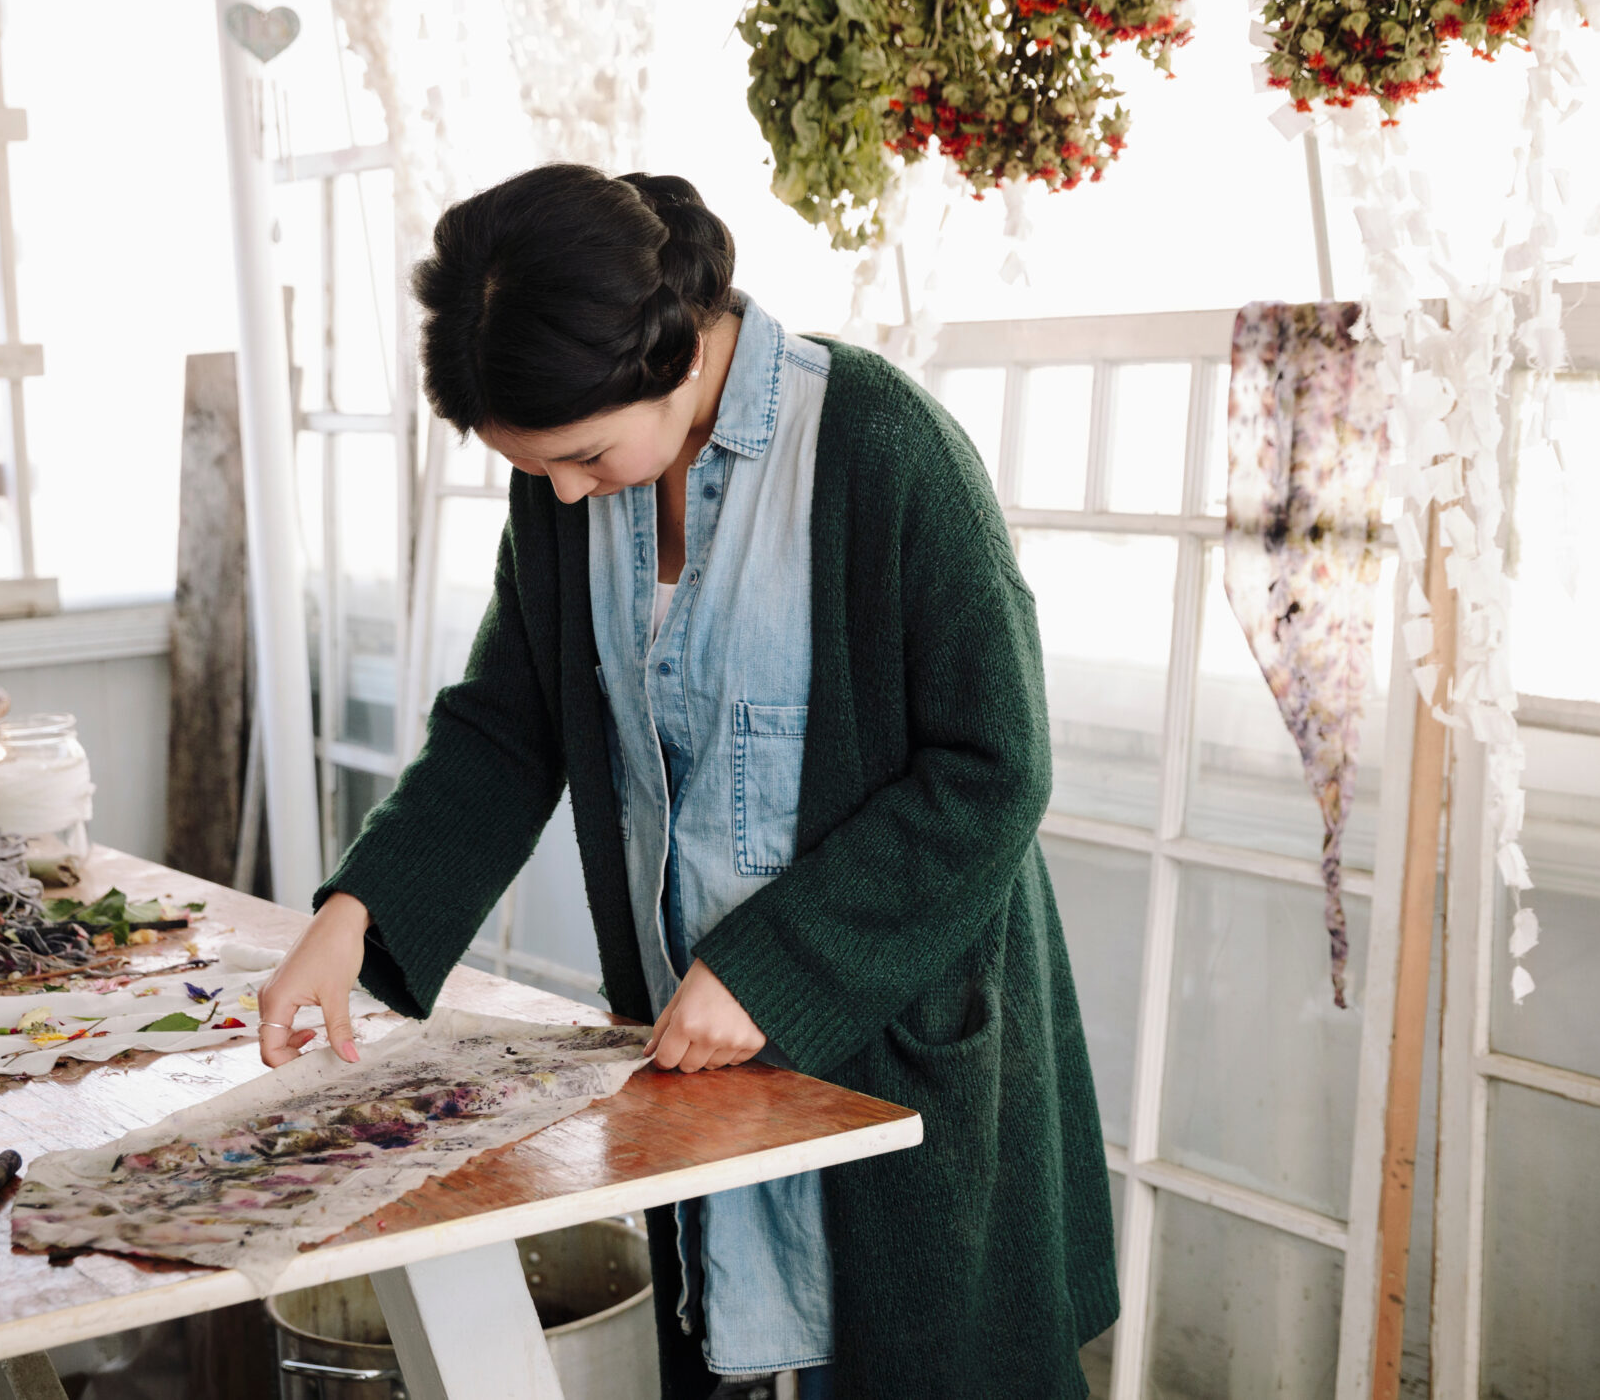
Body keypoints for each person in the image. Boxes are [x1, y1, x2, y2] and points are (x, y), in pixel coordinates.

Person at [256, 164, 1115, 1398]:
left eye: (582, 456)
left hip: (890, 1044)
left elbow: (993, 769)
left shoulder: (879, 447)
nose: (559, 492)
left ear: (668, 354)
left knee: (910, 1362)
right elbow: (508, 727)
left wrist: (775, 970)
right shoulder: (570, 486)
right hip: (693, 1057)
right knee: (738, 1361)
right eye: (536, 467)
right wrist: (357, 914)